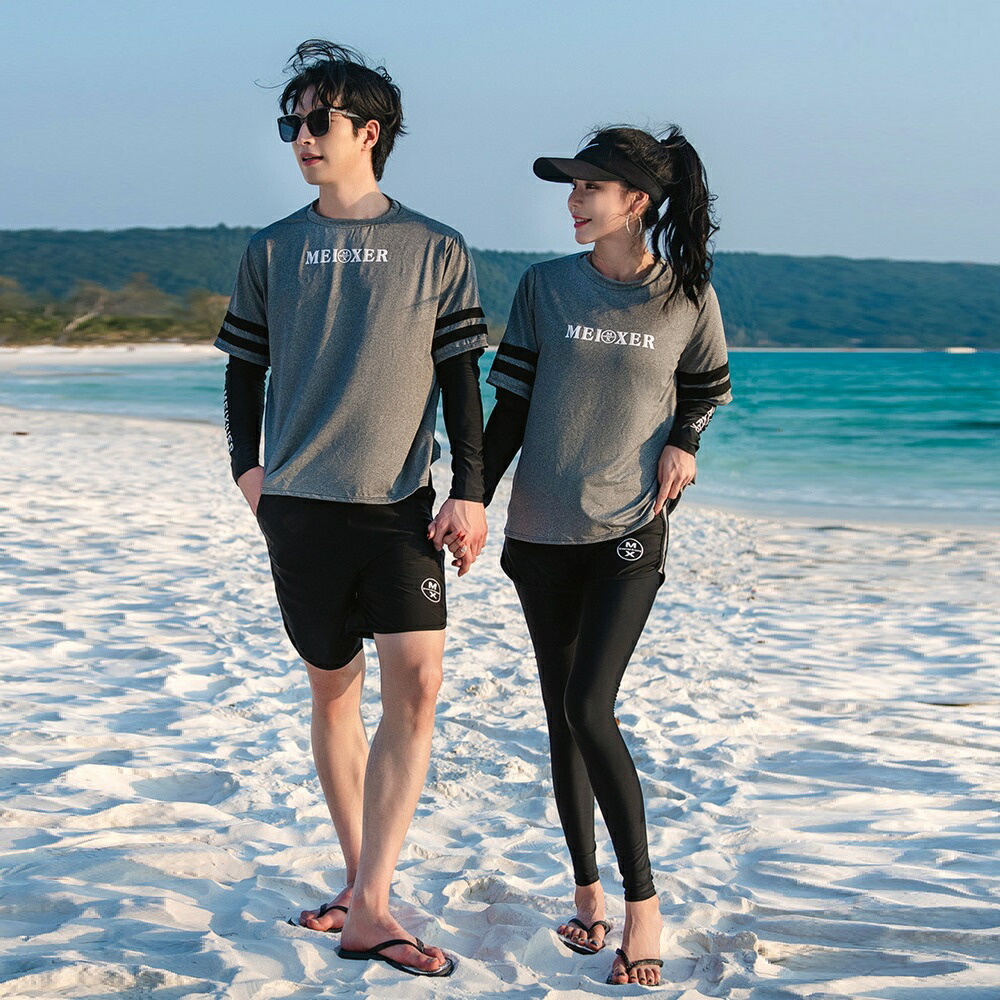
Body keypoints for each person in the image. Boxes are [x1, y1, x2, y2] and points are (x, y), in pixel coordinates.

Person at [216, 40, 489, 978]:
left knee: (418, 686)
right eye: (291, 123)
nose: (301, 138)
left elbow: (462, 380)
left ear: (368, 133)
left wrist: (471, 491)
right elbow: (243, 371)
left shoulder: (436, 247)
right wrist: (248, 473)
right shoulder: (273, 248)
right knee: (333, 691)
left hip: (399, 505)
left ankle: (371, 904)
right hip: (297, 506)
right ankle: (360, 884)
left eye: (317, 121)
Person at [476, 125, 732, 986]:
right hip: (541, 530)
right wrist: (469, 495)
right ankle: (587, 896)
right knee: (563, 715)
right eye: (573, 187)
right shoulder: (545, 287)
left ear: (636, 201)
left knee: (591, 706)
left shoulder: (686, 295)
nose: (574, 201)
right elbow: (511, 407)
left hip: (630, 526)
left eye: (589, 187)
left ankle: (642, 907)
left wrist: (686, 441)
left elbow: (706, 384)